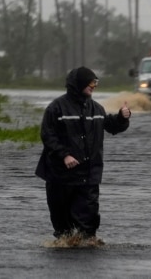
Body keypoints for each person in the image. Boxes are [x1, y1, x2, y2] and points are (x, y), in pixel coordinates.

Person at [35, 66, 132, 242]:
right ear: (79, 83)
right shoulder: (56, 108)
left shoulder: (97, 109)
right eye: (91, 82)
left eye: (96, 82)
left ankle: (87, 246)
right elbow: (48, 136)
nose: (94, 86)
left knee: (87, 225)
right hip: (60, 176)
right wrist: (64, 155)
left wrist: (121, 118)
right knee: (63, 226)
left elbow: (112, 126)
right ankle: (65, 246)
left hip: (89, 175)